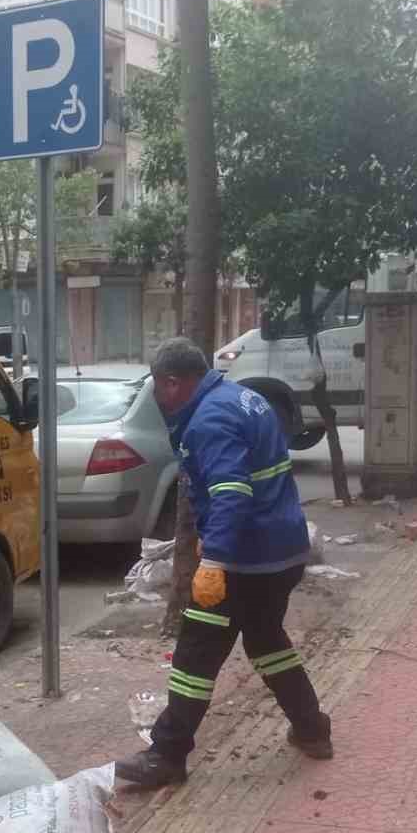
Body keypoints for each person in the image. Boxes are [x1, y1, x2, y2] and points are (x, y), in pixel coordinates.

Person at [115, 337, 333, 788]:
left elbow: (231, 492)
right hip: (282, 550)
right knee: (265, 639)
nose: (157, 398)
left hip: (245, 561)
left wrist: (214, 559)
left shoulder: (209, 419)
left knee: (196, 653)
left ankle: (167, 755)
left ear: (174, 382)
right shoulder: (245, 398)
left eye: (158, 388)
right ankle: (312, 728)